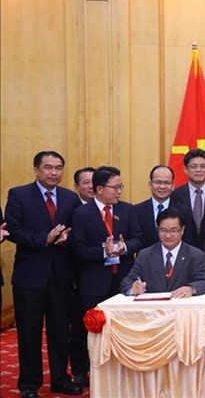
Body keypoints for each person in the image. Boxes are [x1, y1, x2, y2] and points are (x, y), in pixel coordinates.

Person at [5, 150, 83, 398]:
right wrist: (45, 239)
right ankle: (29, 384)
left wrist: (67, 239)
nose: (54, 172)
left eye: (58, 168)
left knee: (60, 330)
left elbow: (76, 232)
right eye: (48, 167)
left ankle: (60, 378)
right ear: (36, 169)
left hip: (61, 276)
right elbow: (14, 230)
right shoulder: (19, 195)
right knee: (29, 332)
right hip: (30, 276)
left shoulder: (70, 198)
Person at [71, 166, 144, 381]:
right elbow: (77, 248)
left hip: (123, 279)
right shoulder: (81, 214)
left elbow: (139, 238)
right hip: (94, 281)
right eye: (116, 187)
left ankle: (122, 370)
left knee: (123, 327)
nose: (119, 191)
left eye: (121, 186)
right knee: (90, 328)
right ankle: (83, 372)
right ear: (100, 189)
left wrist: (124, 248)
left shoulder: (128, 210)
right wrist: (104, 251)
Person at [120, 208, 205, 297]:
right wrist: (133, 288)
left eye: (173, 231)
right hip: (153, 309)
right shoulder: (145, 255)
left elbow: (204, 282)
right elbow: (127, 281)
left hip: (183, 308)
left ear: (182, 230)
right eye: (163, 230)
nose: (168, 235)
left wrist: (191, 288)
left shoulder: (195, 255)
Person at [68, 166, 95, 388]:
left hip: (105, 278)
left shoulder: (113, 209)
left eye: (94, 181)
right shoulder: (72, 210)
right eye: (85, 182)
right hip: (76, 277)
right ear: (77, 186)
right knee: (78, 327)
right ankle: (79, 371)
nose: (90, 186)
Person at [170, 148, 205, 247]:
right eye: (194, 166)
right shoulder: (175, 195)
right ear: (185, 169)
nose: (198, 170)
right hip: (184, 253)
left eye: (203, 166)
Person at [134, 165, 193, 247]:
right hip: (146, 258)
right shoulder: (137, 211)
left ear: (173, 186)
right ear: (150, 185)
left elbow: (189, 242)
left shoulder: (184, 211)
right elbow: (136, 240)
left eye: (167, 183)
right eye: (158, 182)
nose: (162, 186)